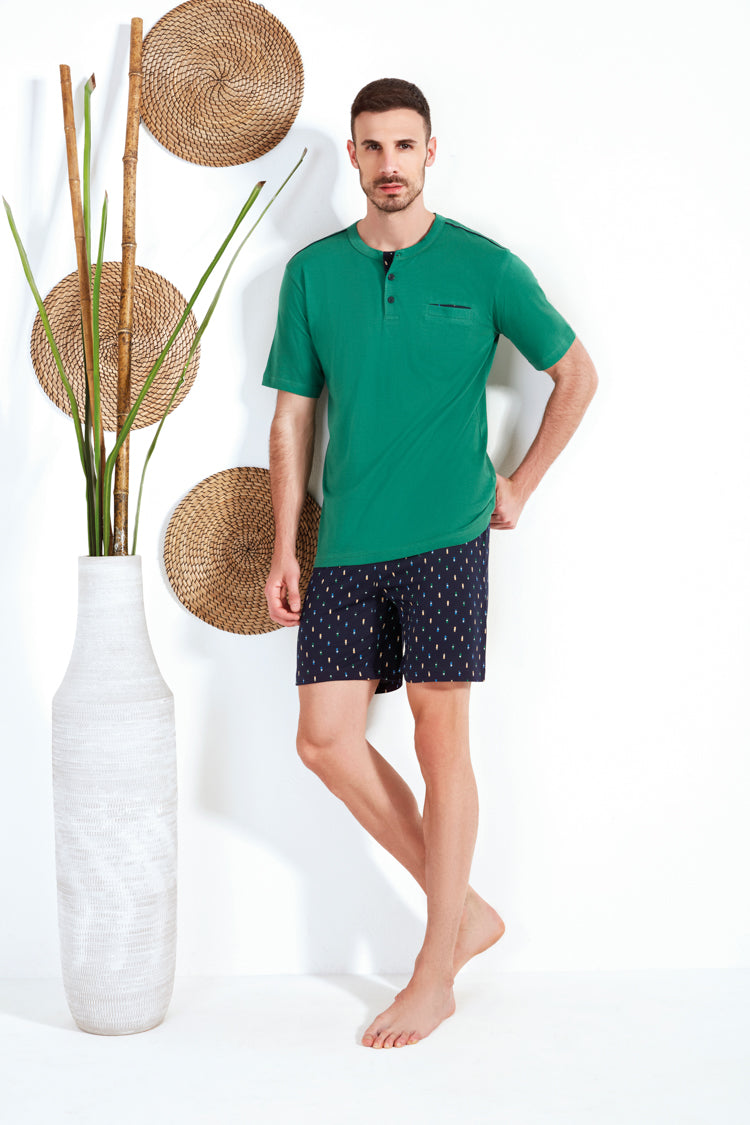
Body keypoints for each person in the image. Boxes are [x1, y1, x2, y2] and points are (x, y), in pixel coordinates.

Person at [262, 78, 598, 1049]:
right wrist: (285, 544)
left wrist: (520, 484)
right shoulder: (313, 274)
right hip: (347, 543)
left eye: (404, 146)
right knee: (324, 739)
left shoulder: (484, 266)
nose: (389, 165)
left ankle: (434, 970)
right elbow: (291, 419)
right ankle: (466, 914)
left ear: (430, 152)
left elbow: (575, 374)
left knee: (439, 741)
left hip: (448, 535)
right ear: (355, 156)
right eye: (372, 147)